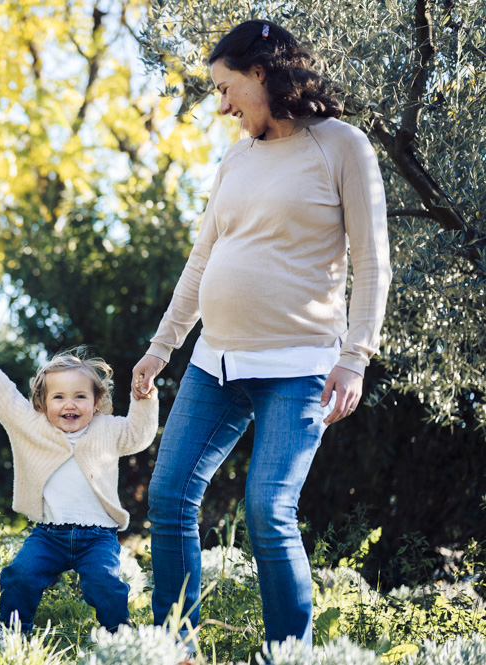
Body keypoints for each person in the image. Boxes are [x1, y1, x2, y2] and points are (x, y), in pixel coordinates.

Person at [131, 19, 392, 649]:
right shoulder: (236, 158)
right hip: (215, 360)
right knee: (168, 498)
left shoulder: (341, 145)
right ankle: (176, 649)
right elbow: (201, 261)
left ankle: (288, 655)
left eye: (226, 88)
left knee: (267, 514)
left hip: (300, 365)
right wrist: (161, 347)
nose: (220, 105)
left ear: (261, 74)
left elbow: (372, 261)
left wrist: (355, 358)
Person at [0, 347, 159, 645]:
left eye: (80, 396)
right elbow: (4, 398)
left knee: (105, 585)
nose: (68, 404)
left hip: (98, 537)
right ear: (42, 403)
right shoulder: (34, 426)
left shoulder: (108, 429)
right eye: (58, 397)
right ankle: (10, 632)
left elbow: (140, 434)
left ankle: (121, 638)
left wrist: (144, 399)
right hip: (49, 534)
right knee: (20, 575)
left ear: (97, 401)